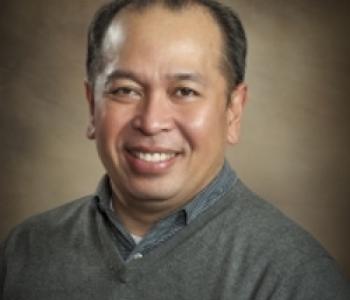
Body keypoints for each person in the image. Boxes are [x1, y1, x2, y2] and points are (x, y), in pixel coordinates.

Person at [1, 0, 349, 298]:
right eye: (125, 90)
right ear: (92, 105)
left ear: (233, 110)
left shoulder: (295, 278)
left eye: (184, 91)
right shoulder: (24, 250)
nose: (151, 122)